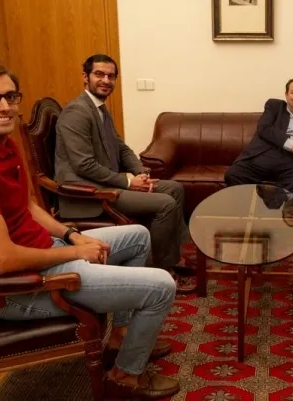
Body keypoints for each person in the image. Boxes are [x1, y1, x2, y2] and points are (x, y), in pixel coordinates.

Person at [0, 63, 180, 400]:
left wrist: (72, 235)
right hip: (17, 288)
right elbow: (1, 260)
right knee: (161, 286)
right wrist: (76, 252)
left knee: (137, 236)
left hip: (45, 253)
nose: (4, 106)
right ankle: (125, 377)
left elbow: (28, 206)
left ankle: (118, 340)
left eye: (10, 96)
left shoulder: (2, 144)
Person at [54, 54, 192, 286]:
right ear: (85, 77)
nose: (106, 80)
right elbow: (83, 165)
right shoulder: (76, 112)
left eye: (111, 76)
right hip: (87, 193)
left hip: (105, 183)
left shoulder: (100, 108)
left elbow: (120, 147)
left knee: (174, 188)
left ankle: (172, 257)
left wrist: (140, 172)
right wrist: (128, 183)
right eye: (99, 74)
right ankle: (159, 270)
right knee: (165, 203)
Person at [224, 78, 293, 195]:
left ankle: (268, 203)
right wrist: (291, 144)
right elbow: (264, 128)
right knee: (233, 174)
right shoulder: (275, 107)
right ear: (286, 95)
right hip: (267, 155)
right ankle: (258, 201)